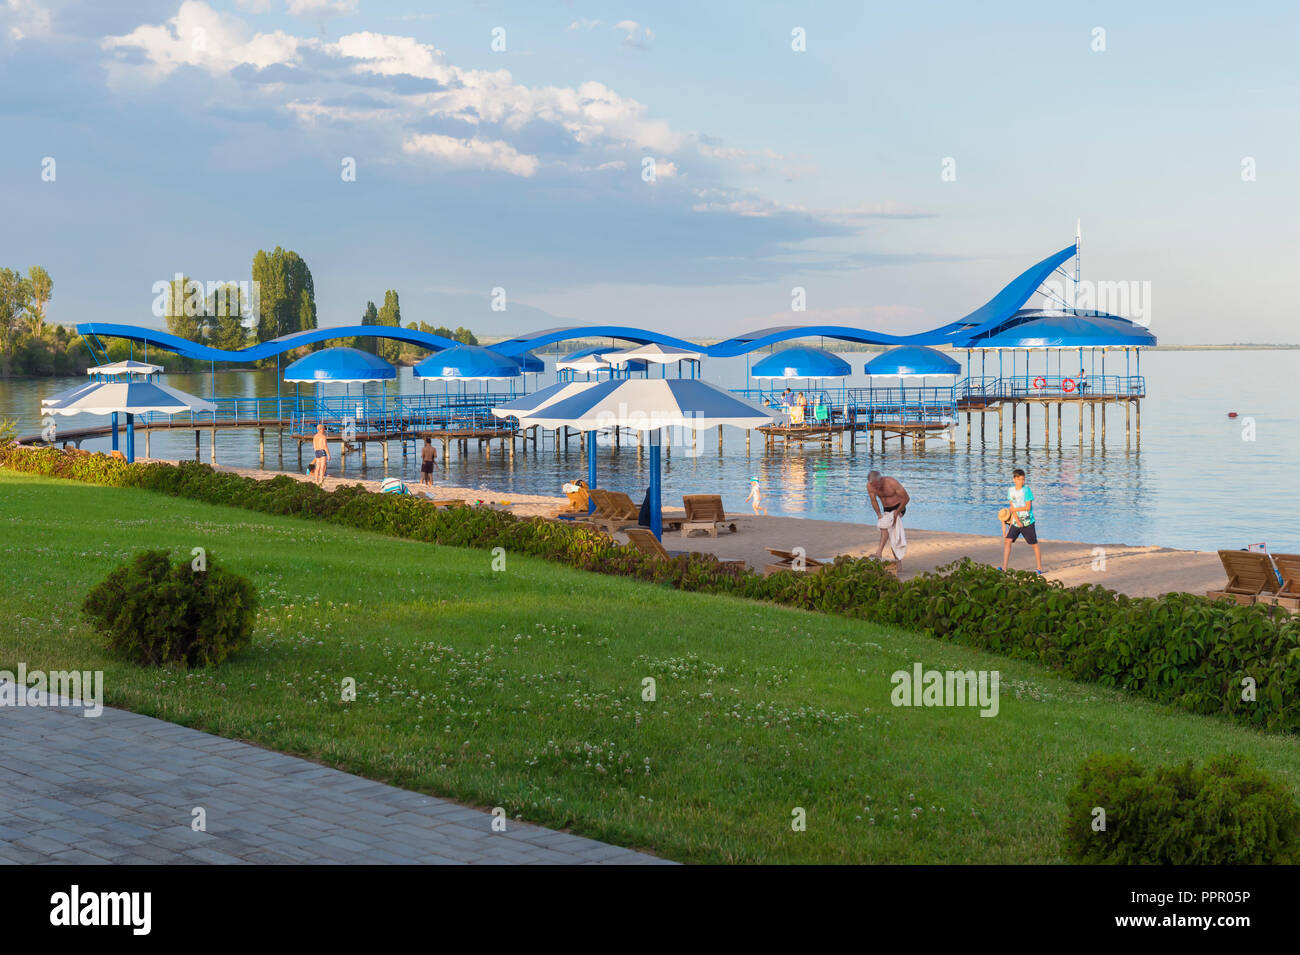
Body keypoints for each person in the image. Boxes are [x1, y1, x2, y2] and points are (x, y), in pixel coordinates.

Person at [1000, 468, 1043, 573]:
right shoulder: (1011, 491)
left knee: (1034, 544)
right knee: (1007, 541)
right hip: (1015, 521)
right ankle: (1004, 568)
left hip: (1028, 522)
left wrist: (1015, 510)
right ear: (1014, 479)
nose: (1021, 482)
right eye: (1019, 479)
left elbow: (1028, 507)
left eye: (1023, 479)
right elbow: (1012, 506)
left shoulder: (1026, 490)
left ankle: (1039, 568)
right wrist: (1016, 520)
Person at [866, 470, 909, 570]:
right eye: (873, 486)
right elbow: (873, 500)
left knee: (892, 530)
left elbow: (906, 498)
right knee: (884, 528)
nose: (876, 488)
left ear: (881, 480)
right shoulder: (870, 486)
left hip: (899, 507)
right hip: (886, 509)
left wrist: (896, 513)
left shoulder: (892, 483)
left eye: (877, 486)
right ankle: (880, 553)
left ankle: (895, 560)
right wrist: (878, 515)